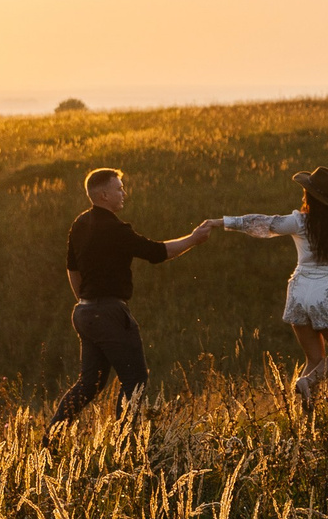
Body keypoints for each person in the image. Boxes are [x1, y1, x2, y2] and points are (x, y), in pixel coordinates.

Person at [204, 166, 328, 409]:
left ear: (309, 196)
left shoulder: (300, 222)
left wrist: (220, 222)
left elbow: (263, 223)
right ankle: (307, 381)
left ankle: (301, 418)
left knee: (314, 357)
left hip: (298, 292)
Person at [48, 167, 216, 427]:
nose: (123, 192)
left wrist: (86, 303)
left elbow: (72, 268)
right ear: (104, 195)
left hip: (83, 313)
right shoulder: (116, 229)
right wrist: (193, 239)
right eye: (119, 188)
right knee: (135, 380)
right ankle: (125, 444)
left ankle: (52, 436)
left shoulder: (80, 223)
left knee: (89, 383)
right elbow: (157, 252)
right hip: (110, 313)